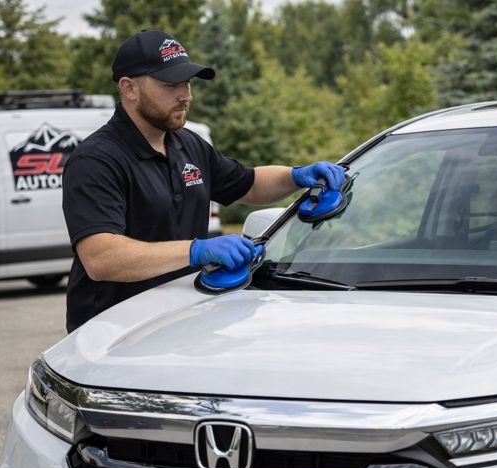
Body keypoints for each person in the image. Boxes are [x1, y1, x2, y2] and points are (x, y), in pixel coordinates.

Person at [62, 29, 344, 333]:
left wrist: (296, 175)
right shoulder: (96, 160)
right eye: (170, 84)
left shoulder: (188, 145)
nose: (186, 95)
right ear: (129, 88)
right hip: (112, 334)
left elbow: (249, 184)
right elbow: (101, 258)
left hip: (181, 321)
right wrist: (196, 250)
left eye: (186, 82)